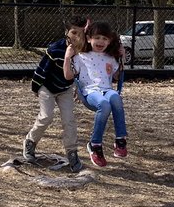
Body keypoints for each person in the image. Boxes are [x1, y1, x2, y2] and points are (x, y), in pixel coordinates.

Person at [24, 16, 88, 172]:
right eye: (73, 32)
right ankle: (30, 141)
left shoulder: (84, 51)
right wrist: (36, 87)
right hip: (47, 87)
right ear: (66, 32)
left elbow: (83, 72)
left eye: (80, 33)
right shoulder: (55, 49)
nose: (77, 37)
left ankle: (72, 153)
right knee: (46, 116)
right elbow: (42, 69)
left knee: (69, 120)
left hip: (65, 89)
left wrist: (79, 89)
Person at [63, 19, 128, 168]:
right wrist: (67, 57)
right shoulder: (80, 56)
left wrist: (122, 58)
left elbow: (117, 76)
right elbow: (68, 76)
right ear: (88, 38)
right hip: (89, 92)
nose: (100, 41)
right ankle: (95, 144)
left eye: (104, 38)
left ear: (109, 41)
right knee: (104, 105)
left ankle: (120, 140)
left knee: (116, 97)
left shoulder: (110, 57)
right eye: (97, 37)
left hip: (107, 90)